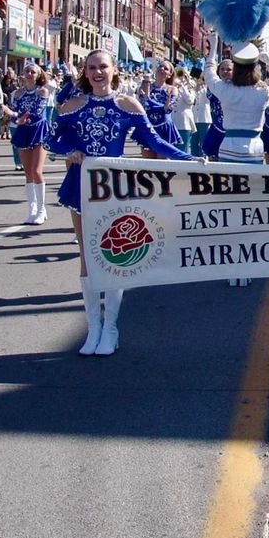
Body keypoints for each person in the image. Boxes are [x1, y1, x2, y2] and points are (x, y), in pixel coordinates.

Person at [50, 50, 196, 356]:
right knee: (87, 254)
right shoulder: (73, 105)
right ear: (85, 72)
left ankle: (111, 328)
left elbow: (155, 141)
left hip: (113, 187)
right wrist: (71, 150)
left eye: (103, 66)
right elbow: (54, 139)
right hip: (81, 183)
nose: (97, 72)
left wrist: (190, 160)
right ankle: (93, 328)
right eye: (91, 68)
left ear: (114, 70)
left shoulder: (128, 104)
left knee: (114, 253)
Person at [203, 36, 269, 164]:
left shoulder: (225, 89)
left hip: (228, 147)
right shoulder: (263, 92)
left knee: (228, 183)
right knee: (252, 183)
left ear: (235, 68)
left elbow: (209, 73)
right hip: (254, 149)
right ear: (255, 69)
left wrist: (213, 46)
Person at [0, 63, 52, 225]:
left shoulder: (42, 91)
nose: (29, 74)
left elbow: (36, 113)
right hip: (24, 131)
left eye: (33, 72)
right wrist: (14, 116)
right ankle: (32, 209)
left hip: (38, 130)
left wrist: (13, 114)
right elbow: (16, 115)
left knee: (36, 171)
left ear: (38, 75)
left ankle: (42, 209)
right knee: (28, 173)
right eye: (27, 71)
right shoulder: (18, 94)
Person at [140, 61, 183, 152]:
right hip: (148, 126)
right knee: (146, 163)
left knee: (162, 162)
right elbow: (145, 106)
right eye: (160, 66)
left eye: (166, 68)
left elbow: (168, 108)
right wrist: (161, 107)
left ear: (170, 75)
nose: (162, 69)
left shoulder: (172, 89)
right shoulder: (146, 86)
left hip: (164, 128)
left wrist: (149, 100)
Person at [202, 58, 233, 159]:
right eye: (222, 69)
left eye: (228, 69)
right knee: (213, 163)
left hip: (232, 132)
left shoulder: (238, 88)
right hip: (216, 130)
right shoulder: (213, 86)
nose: (225, 72)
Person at [169, 65, 197, 155]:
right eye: (178, 75)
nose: (180, 77)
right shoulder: (172, 87)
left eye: (183, 76)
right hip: (172, 121)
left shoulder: (190, 88)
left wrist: (182, 87)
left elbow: (190, 101)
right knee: (171, 150)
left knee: (183, 151)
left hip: (184, 123)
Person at [191, 67, 211, 156]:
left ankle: (204, 161)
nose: (198, 80)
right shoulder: (191, 89)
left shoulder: (206, 90)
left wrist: (204, 86)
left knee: (204, 143)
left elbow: (208, 100)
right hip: (193, 119)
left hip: (204, 119)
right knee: (193, 143)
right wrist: (195, 88)